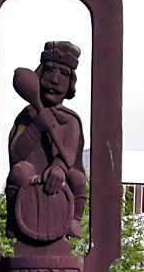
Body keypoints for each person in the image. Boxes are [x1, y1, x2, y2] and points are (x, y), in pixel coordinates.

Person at [6, 41, 86, 240]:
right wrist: (36, 127)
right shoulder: (28, 116)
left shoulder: (71, 120)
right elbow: (16, 154)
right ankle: (14, 219)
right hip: (30, 185)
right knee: (20, 171)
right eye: (50, 71)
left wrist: (59, 167)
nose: (55, 80)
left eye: (64, 74)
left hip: (60, 181)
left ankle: (74, 220)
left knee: (77, 179)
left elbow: (70, 152)